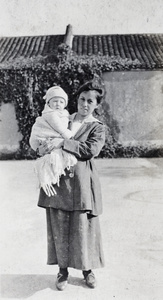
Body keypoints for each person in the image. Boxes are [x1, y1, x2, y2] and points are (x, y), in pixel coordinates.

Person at [29, 76, 106, 291]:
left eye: (90, 101)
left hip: (82, 183)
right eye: (82, 99)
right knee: (59, 225)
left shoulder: (97, 128)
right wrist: (40, 148)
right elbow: (42, 138)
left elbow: (90, 150)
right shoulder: (62, 118)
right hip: (59, 182)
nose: (84, 104)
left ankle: (87, 270)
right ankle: (62, 271)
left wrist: (64, 142)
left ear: (97, 105)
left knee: (83, 226)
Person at [29, 86, 77, 196]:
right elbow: (59, 127)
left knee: (55, 162)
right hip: (45, 135)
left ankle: (53, 175)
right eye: (55, 101)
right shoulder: (50, 114)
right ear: (48, 103)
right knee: (49, 162)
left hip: (56, 141)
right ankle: (49, 179)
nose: (58, 104)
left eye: (61, 102)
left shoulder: (64, 114)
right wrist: (68, 135)